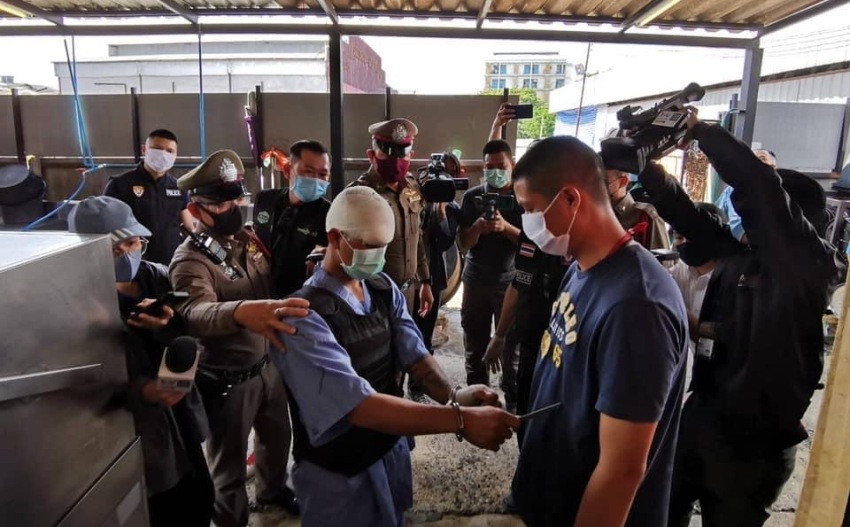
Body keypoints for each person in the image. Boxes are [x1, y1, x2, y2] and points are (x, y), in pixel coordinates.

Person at [636, 111, 840, 527]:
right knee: (660, 509)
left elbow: (760, 190)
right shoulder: (743, 255)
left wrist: (702, 133)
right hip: (705, 418)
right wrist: (647, 168)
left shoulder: (807, 265)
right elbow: (689, 218)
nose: (741, 212)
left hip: (754, 444)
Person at [272, 186, 520, 527]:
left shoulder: (383, 289)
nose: (376, 256)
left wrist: (454, 396)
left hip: (389, 452)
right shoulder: (302, 317)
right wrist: (459, 420)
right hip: (337, 474)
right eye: (368, 246)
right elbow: (358, 406)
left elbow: (415, 357)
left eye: (383, 247)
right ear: (334, 237)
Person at [510, 136, 689, 526]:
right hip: (555, 498)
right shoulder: (581, 267)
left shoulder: (637, 306)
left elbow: (621, 470)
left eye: (531, 210)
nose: (529, 224)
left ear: (572, 200)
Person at [169, 150, 305, 527]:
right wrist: (241, 311)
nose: (235, 207)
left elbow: (272, 277)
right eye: (223, 202)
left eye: (237, 198)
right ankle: (231, 519)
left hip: (268, 367)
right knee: (227, 468)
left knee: (277, 440)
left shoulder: (246, 241)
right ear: (197, 211)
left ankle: (272, 491)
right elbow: (194, 313)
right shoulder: (190, 261)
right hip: (228, 382)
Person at [69, 195, 214, 527]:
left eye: (132, 242)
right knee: (158, 506)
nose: (126, 254)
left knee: (199, 498)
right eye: (113, 249)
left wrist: (172, 330)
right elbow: (82, 385)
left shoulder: (160, 278)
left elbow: (196, 338)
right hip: (133, 429)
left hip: (181, 415)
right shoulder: (77, 306)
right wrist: (145, 392)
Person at [483, 227, 569, 445]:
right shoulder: (530, 234)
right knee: (526, 410)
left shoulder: (577, 237)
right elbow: (518, 284)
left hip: (568, 348)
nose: (529, 214)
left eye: (531, 206)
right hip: (531, 342)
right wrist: (499, 335)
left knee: (559, 418)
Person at [457, 140, 522, 411]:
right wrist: (477, 227)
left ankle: (514, 401)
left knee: (510, 349)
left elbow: (531, 246)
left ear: (512, 165)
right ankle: (477, 401)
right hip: (475, 281)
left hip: (510, 283)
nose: (495, 172)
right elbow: (463, 243)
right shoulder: (473, 197)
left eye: (500, 166)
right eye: (489, 167)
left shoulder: (522, 198)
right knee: (475, 343)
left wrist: (505, 227)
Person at [347, 118, 433, 318]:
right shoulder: (357, 195)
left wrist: (425, 281)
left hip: (407, 293)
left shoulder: (412, 188)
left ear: (411, 155)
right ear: (371, 155)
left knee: (403, 346)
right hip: (370, 297)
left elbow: (416, 236)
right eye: (387, 151)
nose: (395, 158)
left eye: (402, 152)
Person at [408, 151, 463, 403]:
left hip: (435, 277)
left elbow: (445, 242)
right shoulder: (411, 200)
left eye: (449, 175)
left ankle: (418, 386)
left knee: (424, 334)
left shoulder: (451, 208)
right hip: (409, 278)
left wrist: (441, 213)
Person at [253, 140, 332, 298]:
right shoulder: (265, 200)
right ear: (288, 170)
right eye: (308, 171)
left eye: (323, 174)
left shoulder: (330, 214)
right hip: (259, 295)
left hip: (302, 302)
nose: (316, 179)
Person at [104, 129, 194, 265]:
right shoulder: (120, 184)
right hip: (135, 264)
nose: (163, 155)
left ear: (176, 154)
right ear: (144, 150)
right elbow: (108, 228)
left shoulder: (178, 187)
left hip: (172, 263)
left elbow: (189, 228)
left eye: (170, 151)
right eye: (157, 149)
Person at [669, 202, 727, 349]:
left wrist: (676, 307)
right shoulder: (675, 274)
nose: (685, 243)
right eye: (680, 237)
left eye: (693, 237)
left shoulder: (734, 280)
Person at [715, 148, 777, 244]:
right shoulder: (731, 189)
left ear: (773, 167)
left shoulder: (778, 192)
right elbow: (717, 214)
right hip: (735, 248)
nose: (755, 162)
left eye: (762, 158)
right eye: (751, 159)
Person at [605, 166, 670, 251]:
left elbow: (663, 262)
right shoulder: (593, 215)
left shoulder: (645, 217)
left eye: (604, 183)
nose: (596, 188)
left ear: (623, 182)